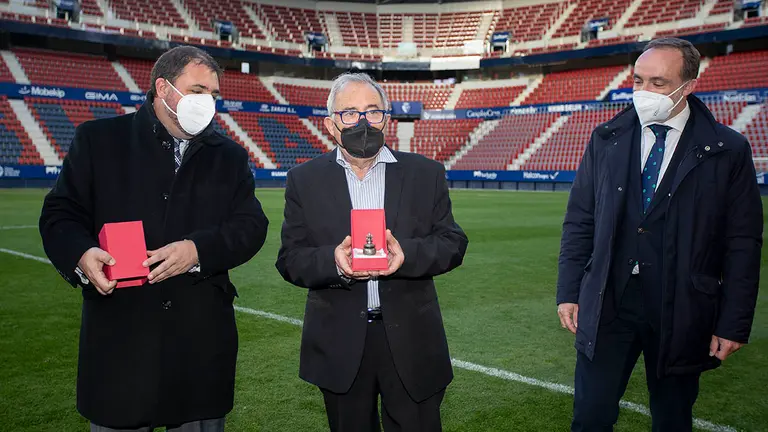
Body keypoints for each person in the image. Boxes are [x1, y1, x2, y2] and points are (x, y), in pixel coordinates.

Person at [39, 46, 269, 431]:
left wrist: (198, 250)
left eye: (213, 94)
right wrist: (81, 254)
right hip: (120, 345)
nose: (207, 103)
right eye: (197, 91)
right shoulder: (98, 140)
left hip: (200, 348)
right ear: (163, 88)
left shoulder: (229, 155)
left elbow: (251, 225)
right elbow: (60, 214)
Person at [556, 37, 763, 431]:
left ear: (689, 86)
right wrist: (569, 290)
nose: (644, 91)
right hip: (609, 300)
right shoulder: (606, 138)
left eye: (658, 82)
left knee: (672, 419)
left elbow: (742, 243)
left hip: (683, 306)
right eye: (638, 80)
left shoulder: (728, 150)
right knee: (590, 416)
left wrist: (733, 322)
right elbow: (580, 220)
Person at [275, 72, 468, 432]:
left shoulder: (426, 174)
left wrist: (406, 255)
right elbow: (290, 259)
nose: (362, 122)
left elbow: (453, 243)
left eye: (372, 111)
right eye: (350, 112)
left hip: (412, 341)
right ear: (330, 125)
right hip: (339, 344)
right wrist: (334, 261)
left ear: (386, 119)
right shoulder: (304, 180)